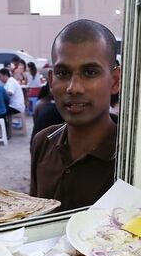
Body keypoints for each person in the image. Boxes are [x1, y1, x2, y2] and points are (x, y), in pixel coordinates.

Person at [30, 19, 121, 211]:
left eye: (89, 72)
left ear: (114, 81)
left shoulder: (129, 155)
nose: (74, 88)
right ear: (51, 81)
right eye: (63, 73)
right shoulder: (43, 143)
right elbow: (32, 219)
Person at [0, 68, 25, 136]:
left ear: (5, 75)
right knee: (0, 110)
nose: (0, 78)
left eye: (0, 76)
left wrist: (1, 93)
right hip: (12, 105)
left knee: (0, 112)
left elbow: (10, 93)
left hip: (16, 106)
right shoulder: (7, 82)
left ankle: (5, 133)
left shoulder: (11, 81)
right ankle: (3, 131)